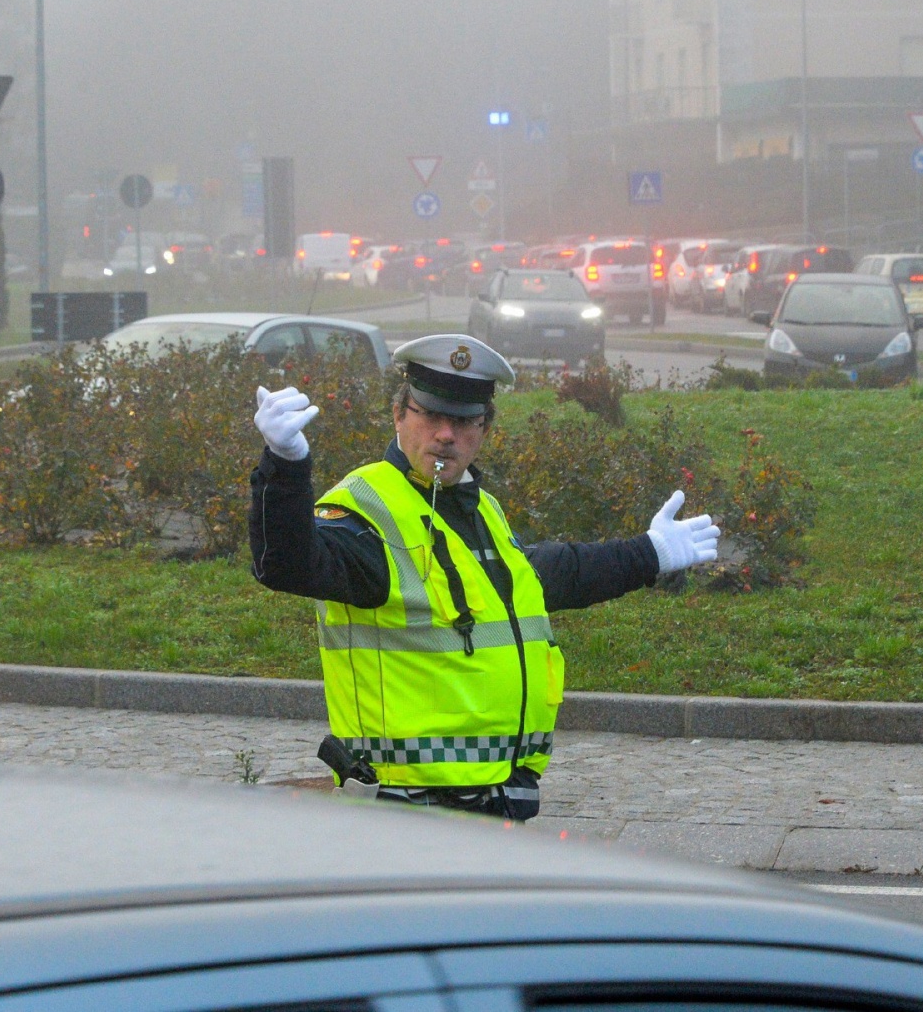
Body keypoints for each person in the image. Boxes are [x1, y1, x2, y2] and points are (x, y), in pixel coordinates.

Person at [249, 334, 718, 820]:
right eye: (430, 415)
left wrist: (649, 553)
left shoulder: (480, 508)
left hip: (494, 800)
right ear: (398, 415)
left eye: (462, 421)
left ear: (484, 429)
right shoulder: (366, 509)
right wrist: (285, 468)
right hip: (403, 809)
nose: (445, 434)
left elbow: (546, 576)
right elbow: (287, 563)